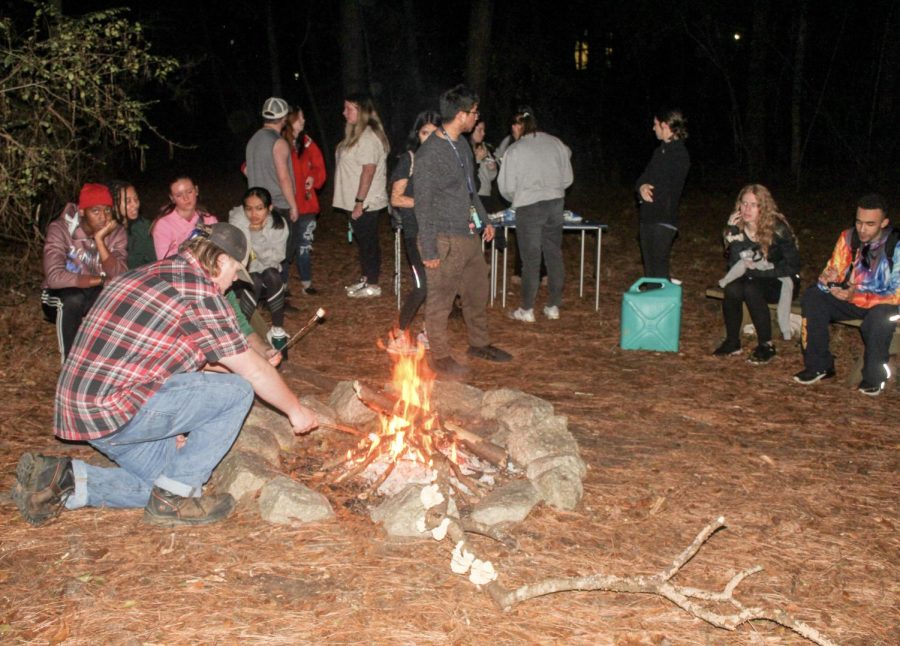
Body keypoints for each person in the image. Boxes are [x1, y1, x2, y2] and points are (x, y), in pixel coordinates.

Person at [13, 223, 318, 528]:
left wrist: (180, 425)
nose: (235, 280)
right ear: (222, 261)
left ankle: (64, 480)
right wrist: (296, 410)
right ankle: (174, 500)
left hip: (82, 411)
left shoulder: (155, 273)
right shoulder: (199, 290)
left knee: (170, 479)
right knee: (238, 391)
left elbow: (180, 359)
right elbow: (250, 372)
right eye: (237, 271)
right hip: (115, 407)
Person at [414, 84, 512, 378]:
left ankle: (479, 344)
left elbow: (470, 192)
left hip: (468, 234)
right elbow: (423, 203)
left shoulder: (462, 146)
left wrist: (485, 221)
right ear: (460, 115)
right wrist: (429, 249)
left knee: (476, 291)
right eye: (474, 112)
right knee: (441, 300)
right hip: (444, 238)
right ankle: (439, 356)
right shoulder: (430, 152)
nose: (476, 117)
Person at [794, 194, 900, 395]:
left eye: (870, 224)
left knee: (879, 318)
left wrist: (855, 296)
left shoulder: (896, 245)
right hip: (854, 298)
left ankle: (873, 377)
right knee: (814, 297)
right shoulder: (848, 237)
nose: (862, 229)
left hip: (886, 304)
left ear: (884, 223)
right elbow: (834, 271)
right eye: (859, 222)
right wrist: (829, 282)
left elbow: (896, 293)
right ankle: (819, 365)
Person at [498, 107, 573, 322]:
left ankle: (527, 309)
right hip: (555, 204)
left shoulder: (516, 149)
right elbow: (567, 178)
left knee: (530, 259)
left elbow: (506, 186)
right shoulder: (555, 143)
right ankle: (553, 306)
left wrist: (518, 197)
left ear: (516, 126)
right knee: (553, 254)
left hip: (529, 206)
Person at [713, 185, 800, 363]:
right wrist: (733, 233)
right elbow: (734, 266)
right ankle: (732, 342)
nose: (747, 209)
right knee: (733, 288)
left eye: (753, 204)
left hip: (782, 279)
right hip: (753, 277)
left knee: (751, 287)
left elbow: (792, 267)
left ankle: (766, 344)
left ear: (763, 207)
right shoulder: (737, 227)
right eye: (744, 204)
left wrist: (758, 273)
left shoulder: (778, 229)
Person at [41, 183, 128, 359]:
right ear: (82, 212)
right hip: (58, 295)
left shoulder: (116, 232)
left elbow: (120, 277)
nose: (103, 217)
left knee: (118, 299)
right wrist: (101, 280)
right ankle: (70, 365)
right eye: (96, 211)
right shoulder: (60, 229)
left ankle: (109, 362)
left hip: (94, 294)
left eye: (107, 210)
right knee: (74, 299)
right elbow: (55, 277)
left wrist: (100, 241)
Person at [386, 110, 441, 353]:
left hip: (438, 232)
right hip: (415, 233)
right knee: (422, 287)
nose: (428, 138)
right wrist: (424, 202)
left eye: (434, 133)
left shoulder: (443, 163)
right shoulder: (409, 159)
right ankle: (395, 336)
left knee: (438, 285)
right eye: (424, 133)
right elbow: (396, 198)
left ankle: (427, 333)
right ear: (417, 135)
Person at [333, 93, 390, 298]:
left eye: (349, 108)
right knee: (363, 241)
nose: (344, 112)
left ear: (362, 111)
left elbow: (369, 170)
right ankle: (366, 278)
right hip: (355, 200)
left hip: (366, 202)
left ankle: (373, 283)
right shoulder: (356, 135)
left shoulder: (368, 136)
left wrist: (359, 202)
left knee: (368, 242)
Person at [229, 187, 290, 353]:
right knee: (254, 278)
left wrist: (257, 235)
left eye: (259, 208)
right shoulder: (237, 224)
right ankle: (241, 333)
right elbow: (237, 259)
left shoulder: (278, 225)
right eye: (248, 208)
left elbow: (276, 260)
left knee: (272, 274)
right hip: (242, 277)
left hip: (269, 276)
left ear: (269, 208)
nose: (253, 214)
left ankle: (277, 330)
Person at [635, 107, 691, 279]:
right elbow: (643, 177)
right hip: (648, 217)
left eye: (655, 124)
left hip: (664, 220)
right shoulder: (659, 151)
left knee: (659, 270)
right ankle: (652, 304)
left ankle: (664, 304)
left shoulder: (679, 154)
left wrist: (649, 190)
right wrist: (641, 187)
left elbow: (667, 187)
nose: (653, 128)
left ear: (665, 125)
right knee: (650, 270)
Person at [283, 107, 326, 296]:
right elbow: (252, 164)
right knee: (284, 246)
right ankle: (282, 287)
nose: (303, 120)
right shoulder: (278, 143)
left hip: (307, 206)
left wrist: (313, 179)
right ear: (290, 120)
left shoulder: (307, 143)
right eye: (300, 117)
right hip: (284, 205)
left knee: (304, 245)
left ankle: (306, 283)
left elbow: (320, 169)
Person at [245, 97, 298, 245]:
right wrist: (293, 205)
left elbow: (248, 170)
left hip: (257, 207)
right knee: (281, 256)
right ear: (284, 118)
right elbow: (284, 177)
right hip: (278, 207)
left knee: (264, 255)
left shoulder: (253, 140)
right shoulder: (278, 142)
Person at [151, 174, 217, 260]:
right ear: (172, 198)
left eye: (189, 192)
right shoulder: (163, 225)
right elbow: (164, 262)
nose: (186, 198)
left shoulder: (209, 219)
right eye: (179, 195)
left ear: (196, 190)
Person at [109, 180, 155, 269]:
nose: (135, 205)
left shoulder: (143, 226)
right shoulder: (107, 232)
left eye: (136, 199)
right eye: (128, 201)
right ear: (113, 204)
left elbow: (154, 259)